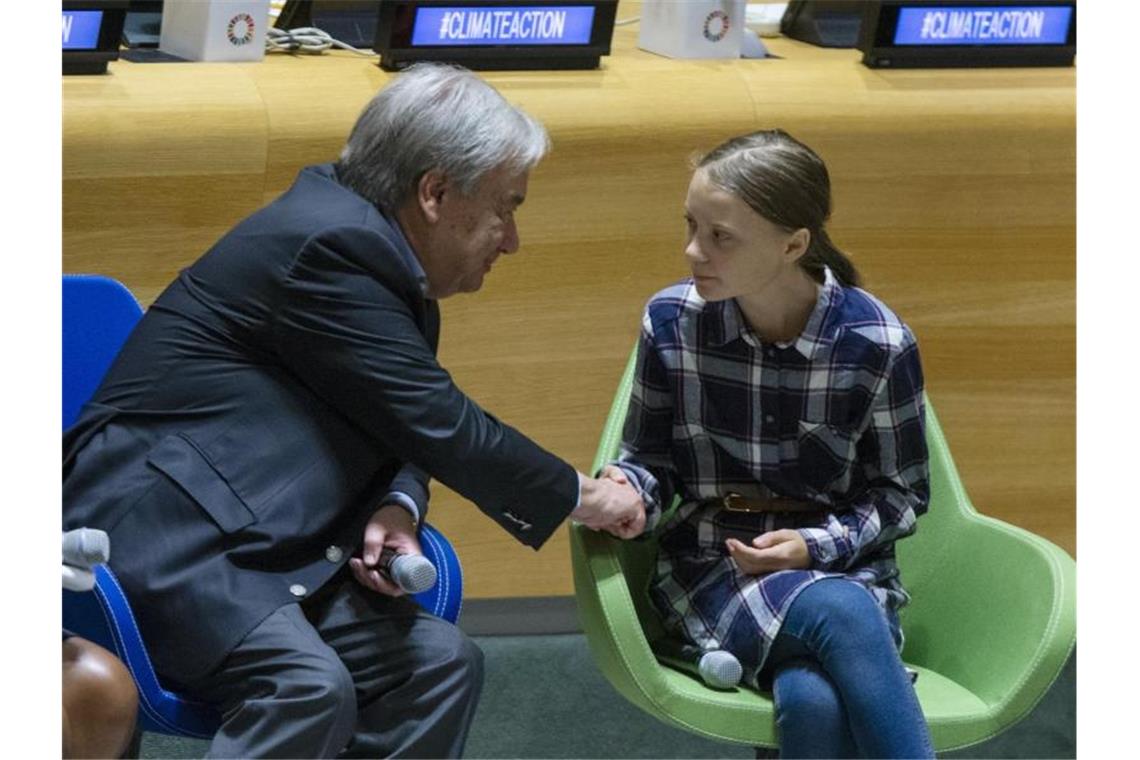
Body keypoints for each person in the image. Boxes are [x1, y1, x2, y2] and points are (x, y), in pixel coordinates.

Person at [62, 63, 643, 759]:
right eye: (505, 206)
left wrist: (398, 501)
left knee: (438, 668)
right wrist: (587, 498)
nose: (511, 238)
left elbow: (402, 420)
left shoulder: (373, 254)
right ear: (433, 192)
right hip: (164, 538)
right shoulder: (329, 248)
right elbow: (438, 421)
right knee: (305, 686)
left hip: (264, 547)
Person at [600, 129, 934, 758]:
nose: (693, 250)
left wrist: (813, 546)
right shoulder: (672, 321)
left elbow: (903, 495)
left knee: (810, 699)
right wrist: (626, 490)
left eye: (721, 236)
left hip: (843, 568)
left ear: (794, 244)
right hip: (713, 563)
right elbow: (648, 463)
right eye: (691, 225)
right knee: (839, 615)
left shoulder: (878, 343)